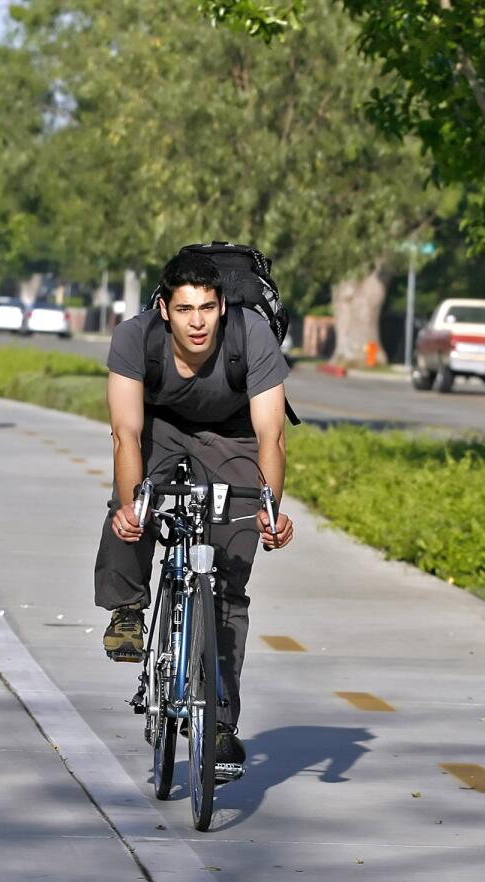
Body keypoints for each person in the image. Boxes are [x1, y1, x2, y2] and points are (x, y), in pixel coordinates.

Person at [95, 249, 294, 774]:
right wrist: (133, 501)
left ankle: (221, 726)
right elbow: (126, 433)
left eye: (207, 307)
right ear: (164, 309)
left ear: (222, 304)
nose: (198, 321)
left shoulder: (252, 335)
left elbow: (271, 433)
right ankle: (128, 609)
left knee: (229, 583)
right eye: (186, 310)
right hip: (160, 428)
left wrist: (270, 508)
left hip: (231, 434)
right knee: (132, 503)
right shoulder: (134, 338)